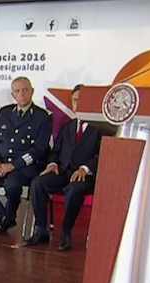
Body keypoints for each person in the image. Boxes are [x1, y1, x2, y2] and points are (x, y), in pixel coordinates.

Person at [0, 77, 51, 234]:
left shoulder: (42, 117)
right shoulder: (4, 113)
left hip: (24, 167)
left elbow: (39, 150)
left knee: (12, 184)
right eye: (18, 91)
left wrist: (12, 165)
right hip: (0, 163)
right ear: (13, 95)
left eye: (25, 90)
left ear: (32, 91)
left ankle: (8, 216)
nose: (22, 94)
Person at [25, 84, 101, 251]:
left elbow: (101, 155)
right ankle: (41, 229)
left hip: (85, 177)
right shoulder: (68, 126)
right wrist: (52, 163)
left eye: (82, 100)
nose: (78, 104)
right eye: (75, 101)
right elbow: (55, 151)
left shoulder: (101, 127)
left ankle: (66, 232)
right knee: (38, 183)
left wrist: (85, 168)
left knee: (74, 189)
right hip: (63, 171)